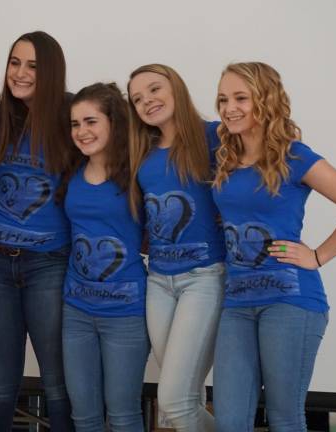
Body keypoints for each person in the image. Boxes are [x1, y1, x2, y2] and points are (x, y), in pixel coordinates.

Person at [211, 62, 336, 432]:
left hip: (290, 301)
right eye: (223, 99)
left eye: (241, 98)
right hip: (236, 303)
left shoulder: (294, 155)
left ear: (266, 100)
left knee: (285, 418)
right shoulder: (225, 158)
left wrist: (318, 256)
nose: (229, 108)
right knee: (228, 421)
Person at [0, 31, 74, 432]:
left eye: (32, 65)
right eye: (15, 62)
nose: (21, 72)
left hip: (50, 265)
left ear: (51, 71)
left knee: (59, 386)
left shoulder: (72, 115)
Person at [127, 64, 225, 431]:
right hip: (158, 281)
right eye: (138, 99)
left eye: (154, 90)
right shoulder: (144, 152)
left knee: (173, 400)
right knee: (181, 401)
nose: (147, 101)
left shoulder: (214, 136)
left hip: (204, 278)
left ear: (176, 88)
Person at [61, 83, 150, 431]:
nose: (82, 132)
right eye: (75, 124)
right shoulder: (71, 173)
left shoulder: (140, 173)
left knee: (123, 414)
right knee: (84, 416)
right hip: (76, 312)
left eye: (91, 121)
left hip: (126, 314)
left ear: (114, 122)